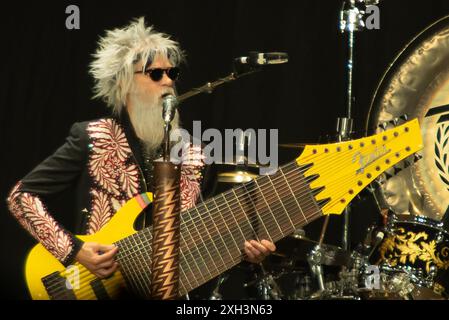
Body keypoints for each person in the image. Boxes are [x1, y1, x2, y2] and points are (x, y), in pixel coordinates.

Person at [6, 17, 275, 295]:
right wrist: (76, 251)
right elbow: (21, 196)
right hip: (92, 286)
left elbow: (204, 240)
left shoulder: (197, 156)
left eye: (173, 73)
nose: (168, 81)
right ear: (124, 83)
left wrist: (246, 256)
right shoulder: (94, 137)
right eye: (155, 74)